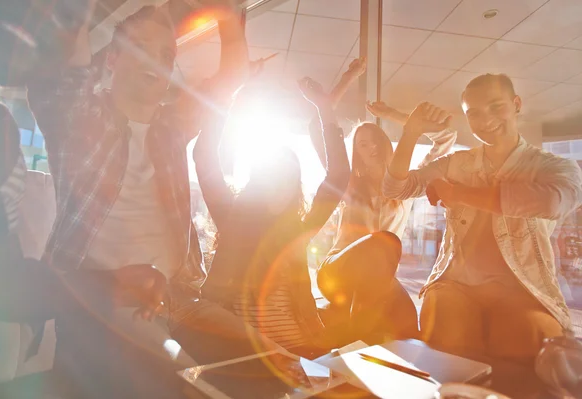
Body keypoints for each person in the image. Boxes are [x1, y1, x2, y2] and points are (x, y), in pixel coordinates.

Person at [27, 3, 280, 397]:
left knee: (278, 366)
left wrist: (228, 19)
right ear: (112, 59)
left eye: (166, 55)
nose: (157, 61)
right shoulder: (81, 118)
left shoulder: (170, 127)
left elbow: (229, 79)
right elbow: (64, 67)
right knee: (191, 389)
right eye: (142, 48)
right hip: (104, 302)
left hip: (177, 299)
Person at [384, 73, 582, 365]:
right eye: (473, 113)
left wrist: (459, 194)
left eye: (496, 106)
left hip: (523, 288)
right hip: (457, 285)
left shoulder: (551, 166)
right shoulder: (458, 163)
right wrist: (411, 132)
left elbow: (553, 202)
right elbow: (395, 189)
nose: (486, 119)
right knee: (447, 331)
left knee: (523, 338)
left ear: (517, 104)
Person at [193, 77, 350, 355]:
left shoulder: (297, 231)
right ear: (257, 182)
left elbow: (338, 176)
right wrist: (228, 98)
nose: (282, 185)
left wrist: (324, 109)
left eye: (290, 178)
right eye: (273, 176)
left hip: (300, 351)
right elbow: (204, 156)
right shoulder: (233, 221)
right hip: (244, 355)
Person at [309, 60, 457, 342]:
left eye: (376, 139)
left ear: (387, 143)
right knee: (383, 242)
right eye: (363, 144)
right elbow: (317, 129)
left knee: (407, 326)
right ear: (357, 153)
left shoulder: (407, 185)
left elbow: (446, 138)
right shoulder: (347, 184)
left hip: (378, 278)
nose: (372, 147)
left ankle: (364, 356)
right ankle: (355, 347)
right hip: (337, 272)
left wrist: (394, 115)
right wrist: (348, 76)